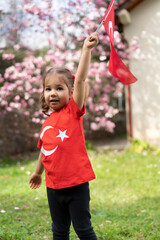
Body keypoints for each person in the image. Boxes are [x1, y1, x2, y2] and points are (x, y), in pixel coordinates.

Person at [29, 32, 99, 240]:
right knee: (59, 231)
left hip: (76, 185)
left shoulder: (73, 112)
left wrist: (86, 50)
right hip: (53, 187)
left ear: (70, 92)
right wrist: (37, 173)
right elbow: (45, 150)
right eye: (48, 89)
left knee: (83, 229)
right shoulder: (47, 124)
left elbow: (81, 80)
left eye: (59, 88)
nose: (53, 93)